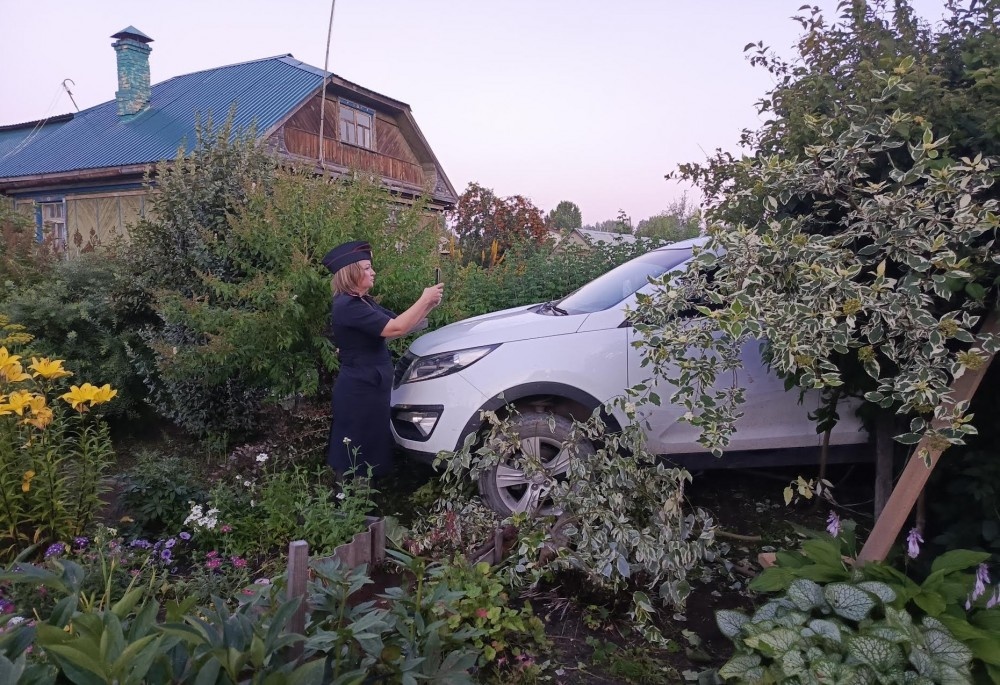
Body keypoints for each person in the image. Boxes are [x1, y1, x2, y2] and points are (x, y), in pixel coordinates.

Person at [322, 240, 443, 478]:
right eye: (367, 268)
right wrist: (424, 298)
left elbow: (402, 325)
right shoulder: (347, 306)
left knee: (369, 445)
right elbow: (397, 328)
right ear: (352, 272)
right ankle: (347, 499)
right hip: (359, 389)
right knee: (354, 447)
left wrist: (429, 304)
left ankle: (362, 498)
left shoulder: (363, 302)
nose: (373, 272)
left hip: (370, 385)